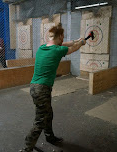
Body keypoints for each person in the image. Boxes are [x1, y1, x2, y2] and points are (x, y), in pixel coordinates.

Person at [19, 23, 86, 152]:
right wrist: (81, 42)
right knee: (40, 120)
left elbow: (62, 44)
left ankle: (50, 137)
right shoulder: (58, 51)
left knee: (48, 114)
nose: (63, 40)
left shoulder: (42, 47)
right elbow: (73, 48)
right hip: (42, 90)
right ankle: (27, 148)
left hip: (34, 87)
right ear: (60, 36)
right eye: (62, 37)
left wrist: (76, 40)